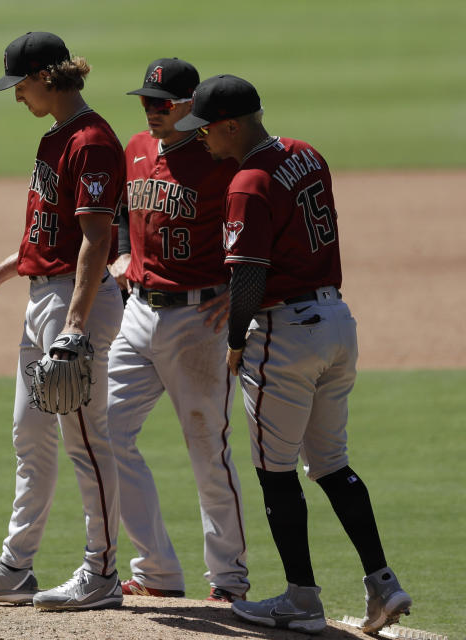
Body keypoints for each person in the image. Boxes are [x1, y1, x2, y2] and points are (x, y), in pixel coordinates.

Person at [174, 74, 413, 634]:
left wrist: (235, 341)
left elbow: (249, 278)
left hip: (283, 333)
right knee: (332, 464)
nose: (201, 138)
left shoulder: (247, 183)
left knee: (275, 471)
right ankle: (384, 584)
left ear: (231, 124)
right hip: (336, 324)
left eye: (206, 128)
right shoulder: (305, 155)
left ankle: (302, 600)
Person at [0, 32, 125, 610]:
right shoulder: (55, 139)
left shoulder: (92, 141)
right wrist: (1, 272)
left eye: (19, 84)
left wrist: (75, 324)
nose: (16, 95)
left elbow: (98, 237)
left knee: (86, 440)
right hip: (43, 299)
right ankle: (16, 566)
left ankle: (101, 572)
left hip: (79, 304)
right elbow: (51, 233)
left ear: (47, 76)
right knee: (30, 435)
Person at [106, 58, 249, 603]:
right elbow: (120, 209)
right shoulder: (136, 148)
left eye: (162, 102)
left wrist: (241, 295)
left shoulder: (220, 157)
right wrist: (121, 254)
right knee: (107, 432)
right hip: (137, 313)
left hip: (199, 321)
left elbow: (261, 225)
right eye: (146, 101)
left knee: (206, 450)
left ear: (192, 103)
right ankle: (158, 570)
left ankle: (230, 581)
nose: (152, 110)